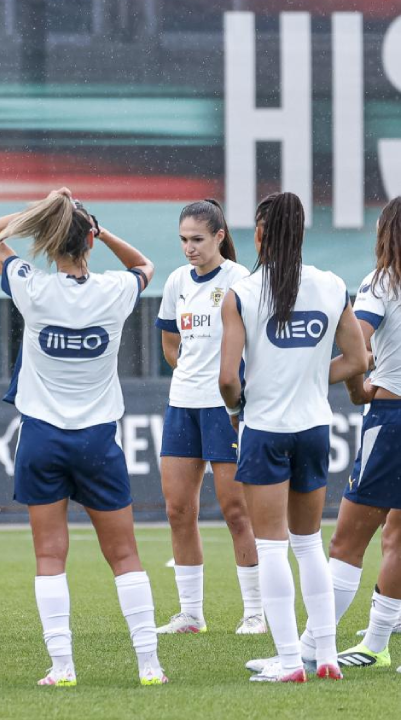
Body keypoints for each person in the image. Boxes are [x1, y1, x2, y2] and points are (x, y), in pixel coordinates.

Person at [0, 187, 167, 687]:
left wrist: (44, 210)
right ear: (88, 241)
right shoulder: (114, 291)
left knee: (48, 556)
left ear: (50, 239)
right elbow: (146, 263)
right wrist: (98, 232)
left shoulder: (33, 288)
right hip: (97, 441)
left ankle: (62, 666)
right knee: (125, 556)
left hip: (42, 439)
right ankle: (149, 664)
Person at [221, 192, 369, 683]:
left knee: (272, 548)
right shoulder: (330, 285)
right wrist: (308, 378)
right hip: (313, 428)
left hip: (265, 429)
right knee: (309, 545)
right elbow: (358, 361)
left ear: (260, 233)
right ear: (302, 234)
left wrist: (237, 409)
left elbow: (227, 380)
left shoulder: (241, 292)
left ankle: (288, 661)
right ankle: (324, 656)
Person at [153, 200, 264, 635]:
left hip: (226, 408)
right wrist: (185, 368)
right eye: (183, 240)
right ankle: (191, 614)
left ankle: (254, 611)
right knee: (178, 510)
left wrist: (233, 386)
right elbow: (168, 338)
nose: (188, 248)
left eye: (197, 239)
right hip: (182, 405)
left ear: (219, 237)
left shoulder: (242, 281)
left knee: (237, 510)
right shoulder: (177, 280)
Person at [309, 197, 401, 670]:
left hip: (393, 420)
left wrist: (357, 387)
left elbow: (357, 344)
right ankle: (377, 642)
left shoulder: (382, 281)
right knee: (398, 537)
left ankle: (309, 648)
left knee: (346, 541)